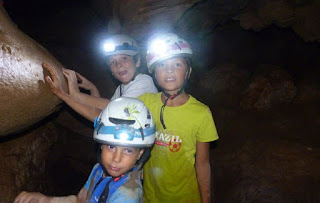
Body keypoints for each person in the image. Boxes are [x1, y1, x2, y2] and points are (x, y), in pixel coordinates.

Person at [14, 97, 156, 203]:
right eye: (111, 146)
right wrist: (45, 199)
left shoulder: (127, 196)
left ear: (140, 154)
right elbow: (80, 200)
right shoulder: (99, 170)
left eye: (128, 151)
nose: (116, 158)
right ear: (101, 145)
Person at [136, 33, 219, 203]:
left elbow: (203, 164)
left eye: (177, 64)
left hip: (185, 197)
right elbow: (111, 109)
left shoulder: (201, 113)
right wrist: (72, 96)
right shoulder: (145, 102)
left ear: (188, 71)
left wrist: (206, 200)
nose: (169, 70)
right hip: (151, 196)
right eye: (161, 64)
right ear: (154, 74)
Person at [43, 34, 158, 122]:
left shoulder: (144, 82)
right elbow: (104, 113)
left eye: (124, 58)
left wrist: (71, 94)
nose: (119, 65)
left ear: (137, 61)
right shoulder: (121, 89)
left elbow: (113, 109)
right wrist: (92, 88)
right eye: (112, 62)